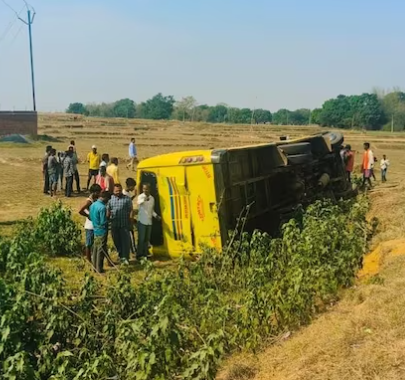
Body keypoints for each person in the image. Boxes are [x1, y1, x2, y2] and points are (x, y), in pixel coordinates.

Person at [107, 184, 133, 264]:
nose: (118, 192)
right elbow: (108, 210)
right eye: (116, 191)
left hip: (124, 225)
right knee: (116, 241)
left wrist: (131, 222)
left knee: (125, 242)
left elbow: (131, 210)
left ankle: (125, 258)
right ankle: (120, 255)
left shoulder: (127, 199)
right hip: (114, 225)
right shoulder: (110, 199)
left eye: (119, 190)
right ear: (113, 191)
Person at [137, 183, 161, 259]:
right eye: (144, 189)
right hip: (142, 221)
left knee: (147, 239)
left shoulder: (152, 198)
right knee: (141, 239)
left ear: (149, 189)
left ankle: (145, 254)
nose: (145, 190)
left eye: (146, 189)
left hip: (149, 221)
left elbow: (151, 210)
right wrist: (144, 199)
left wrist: (156, 216)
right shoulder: (141, 196)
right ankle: (139, 255)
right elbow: (138, 203)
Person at [79, 184, 102, 262]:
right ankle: (89, 260)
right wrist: (88, 216)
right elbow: (80, 210)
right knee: (89, 244)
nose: (99, 194)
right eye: (98, 192)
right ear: (94, 192)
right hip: (90, 226)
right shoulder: (89, 201)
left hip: (95, 225)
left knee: (95, 243)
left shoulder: (94, 199)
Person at [89, 190, 111, 273]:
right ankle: (99, 268)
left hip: (95, 229)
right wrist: (108, 218)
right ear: (105, 198)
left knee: (95, 248)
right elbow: (103, 221)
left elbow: (90, 217)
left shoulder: (93, 205)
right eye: (108, 199)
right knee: (100, 250)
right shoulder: (102, 207)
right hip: (102, 230)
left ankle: (94, 267)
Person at [123, 178, 137, 256]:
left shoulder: (127, 193)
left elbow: (129, 201)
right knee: (130, 234)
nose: (133, 188)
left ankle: (132, 249)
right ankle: (133, 250)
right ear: (130, 186)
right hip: (127, 217)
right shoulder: (124, 194)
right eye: (133, 186)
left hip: (129, 216)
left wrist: (134, 196)